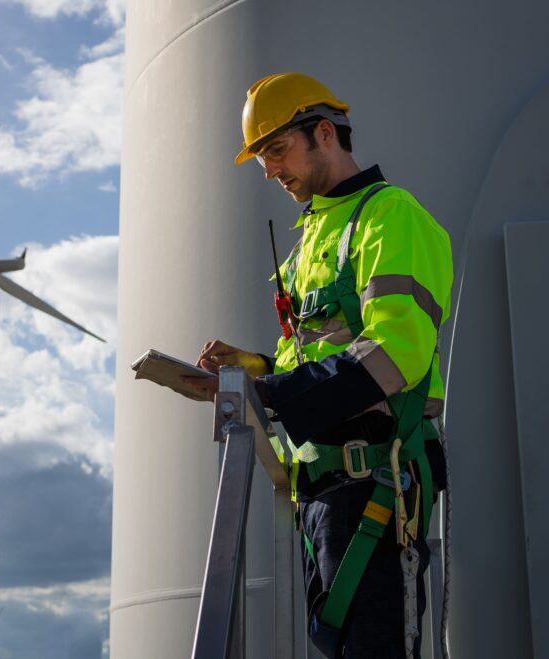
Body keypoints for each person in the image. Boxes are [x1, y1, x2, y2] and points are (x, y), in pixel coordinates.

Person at [184, 73, 452, 659]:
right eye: (261, 157)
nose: (270, 170)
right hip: (323, 495)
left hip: (377, 483)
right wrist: (255, 368)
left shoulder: (389, 215)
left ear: (324, 133)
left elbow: (395, 351)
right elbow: (319, 352)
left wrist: (273, 394)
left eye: (276, 148)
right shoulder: (311, 237)